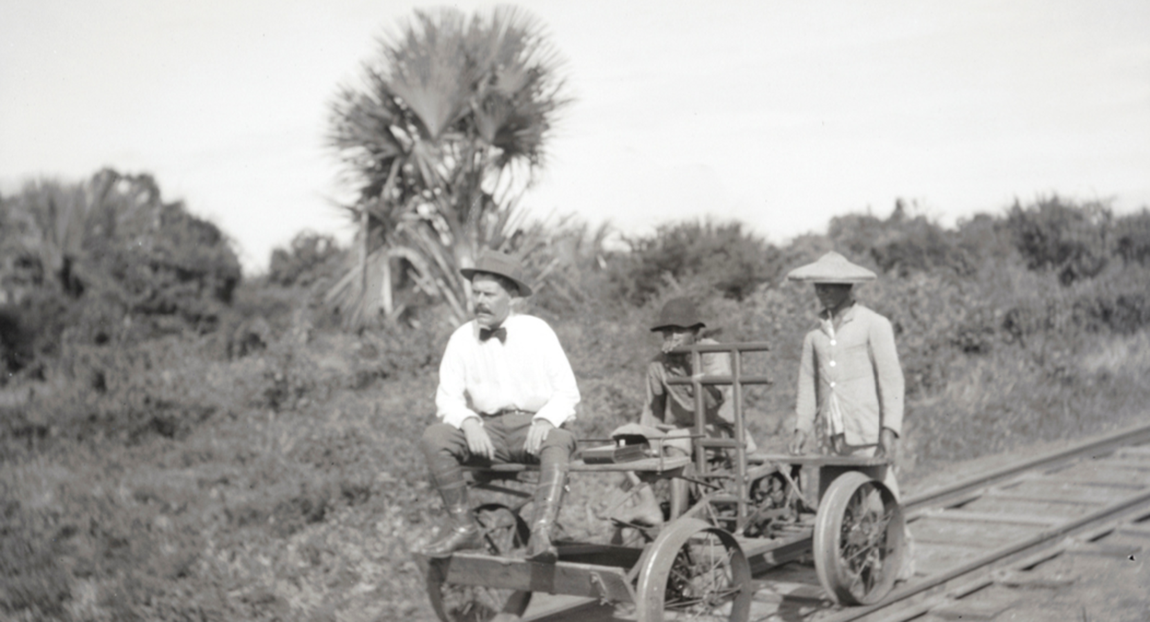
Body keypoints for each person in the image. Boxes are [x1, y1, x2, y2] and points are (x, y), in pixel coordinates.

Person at [419, 250, 580, 563]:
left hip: (532, 430)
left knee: (560, 440)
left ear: (511, 296)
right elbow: (447, 397)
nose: (480, 301)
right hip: (487, 432)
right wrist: (468, 422)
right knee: (434, 438)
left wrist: (546, 420)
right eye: (476, 293)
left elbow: (567, 392)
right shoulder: (461, 339)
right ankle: (464, 528)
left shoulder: (537, 332)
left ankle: (541, 533)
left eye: (489, 294)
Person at [785, 251, 915, 581]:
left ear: (847, 286)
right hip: (832, 435)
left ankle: (899, 563)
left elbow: (891, 379)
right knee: (834, 506)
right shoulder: (814, 336)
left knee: (880, 501)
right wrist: (802, 426)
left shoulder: (873, 324)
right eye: (818, 285)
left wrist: (890, 428)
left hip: (867, 430)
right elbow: (807, 386)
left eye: (830, 285)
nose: (822, 291)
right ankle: (849, 565)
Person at [616, 297, 756, 526]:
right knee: (624, 438)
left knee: (675, 439)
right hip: (685, 432)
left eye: (678, 330)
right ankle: (648, 504)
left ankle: (676, 521)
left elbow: (712, 399)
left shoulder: (712, 351)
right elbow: (652, 411)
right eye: (667, 331)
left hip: (722, 432)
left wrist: (690, 365)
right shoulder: (658, 364)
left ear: (695, 332)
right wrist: (645, 443)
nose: (672, 337)